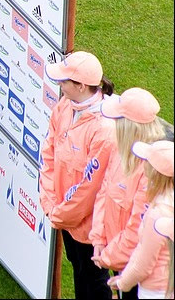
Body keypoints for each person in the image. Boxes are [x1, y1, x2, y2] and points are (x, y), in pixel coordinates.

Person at [39, 50, 117, 299]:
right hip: (64, 214)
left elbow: (89, 189)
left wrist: (60, 214)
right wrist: (50, 202)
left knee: (94, 281)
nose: (60, 85)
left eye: (64, 81)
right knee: (79, 270)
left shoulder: (104, 129)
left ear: (81, 86)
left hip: (90, 227)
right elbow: (48, 152)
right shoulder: (65, 105)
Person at [91, 88, 165, 300]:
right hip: (118, 257)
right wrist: (98, 238)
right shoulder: (121, 149)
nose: (113, 124)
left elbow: (136, 229)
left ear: (129, 127)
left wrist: (108, 256)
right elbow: (104, 191)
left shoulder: (152, 172)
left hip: (139, 268)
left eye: (118, 120)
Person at [107, 140, 174, 298]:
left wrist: (122, 283)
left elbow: (143, 265)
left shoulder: (157, 214)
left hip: (155, 292)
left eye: (147, 161)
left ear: (155, 172)